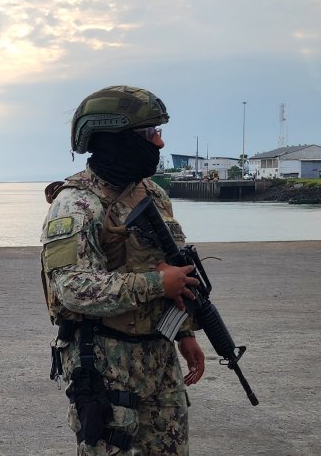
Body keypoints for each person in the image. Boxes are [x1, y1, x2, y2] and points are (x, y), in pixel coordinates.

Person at [40, 86, 206, 454]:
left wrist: (185, 333)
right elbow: (72, 287)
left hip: (158, 357)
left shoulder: (152, 194)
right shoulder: (77, 203)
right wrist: (156, 284)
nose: (160, 143)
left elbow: (171, 266)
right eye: (149, 134)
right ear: (114, 139)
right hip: (105, 361)